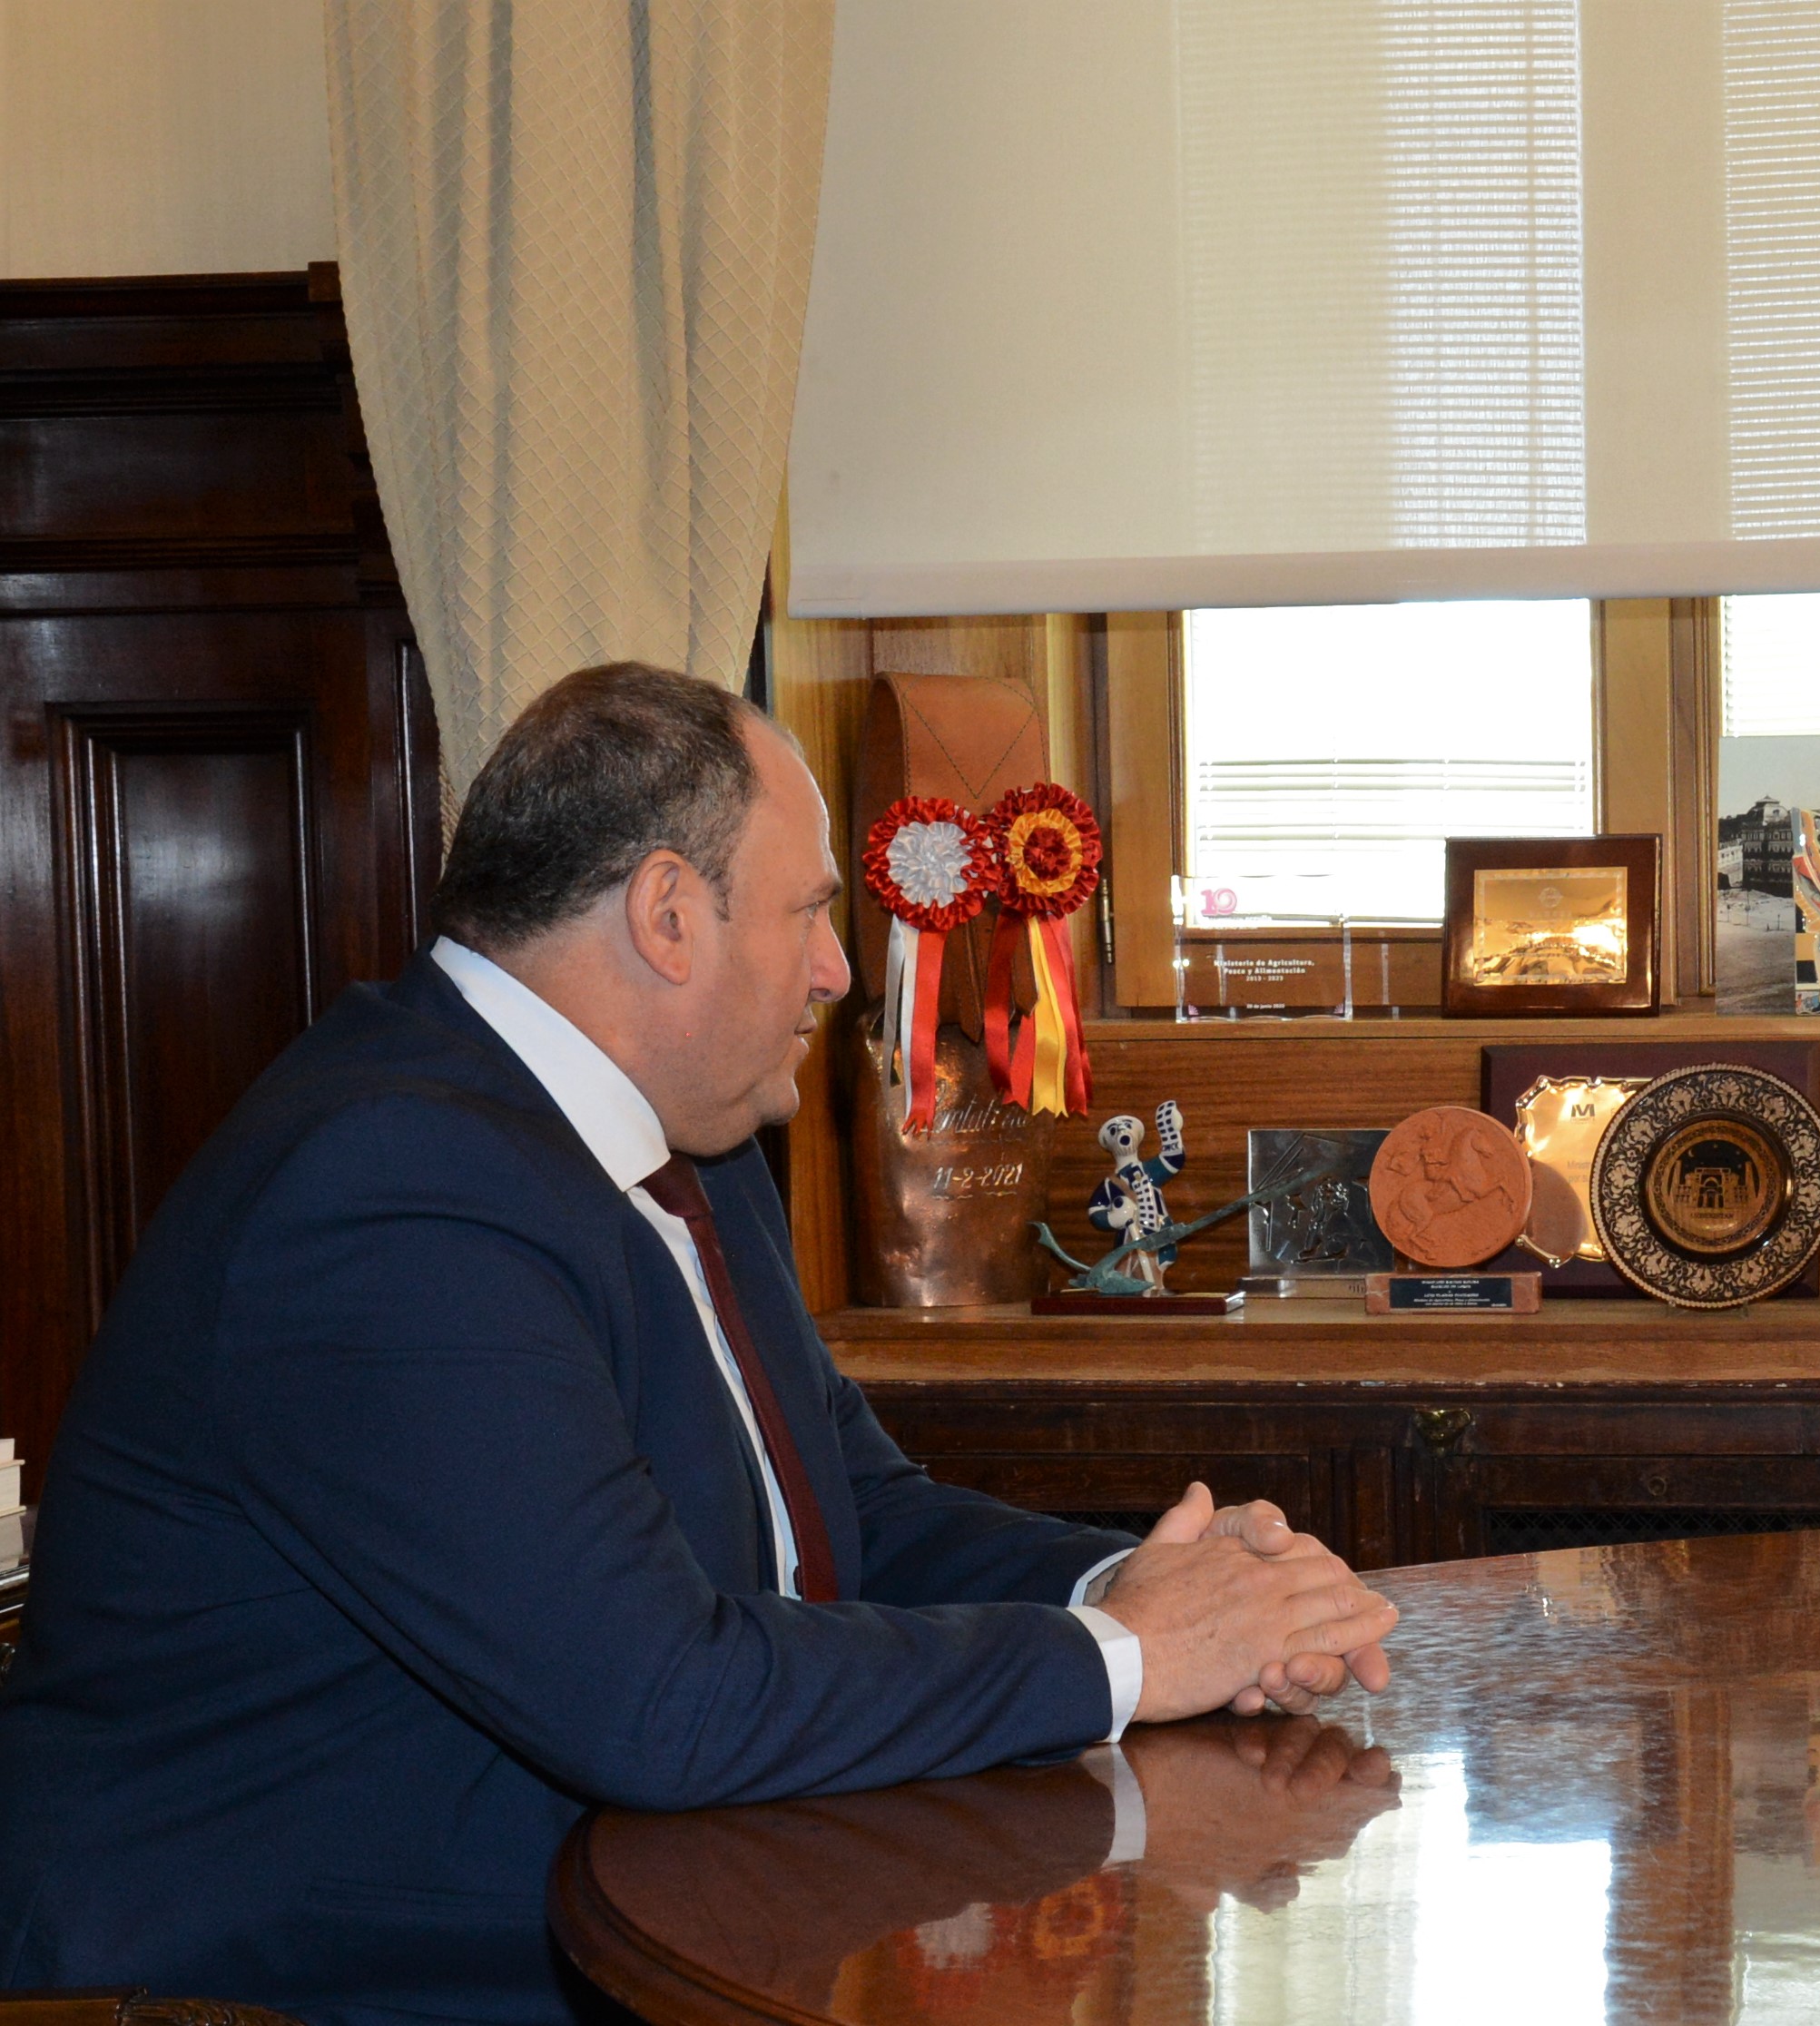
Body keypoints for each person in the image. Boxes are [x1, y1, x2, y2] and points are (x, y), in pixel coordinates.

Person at [0, 664, 1400, 2024]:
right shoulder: (391, 1189)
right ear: (669, 915)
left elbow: (851, 1518)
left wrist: (1141, 1587)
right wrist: (1128, 1657)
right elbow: (659, 1704)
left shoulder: (690, 1146)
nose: (837, 970)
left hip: (648, 1919)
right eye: (809, 912)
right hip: (295, 1989)